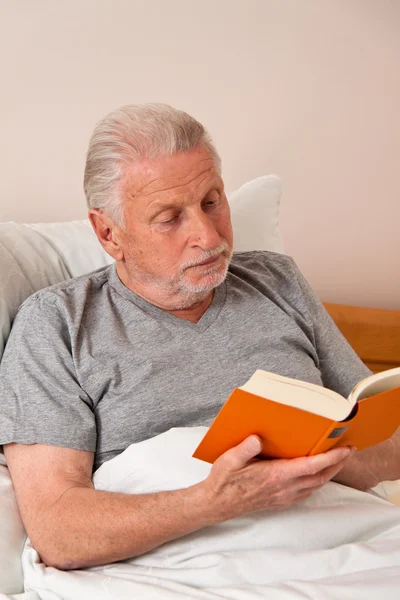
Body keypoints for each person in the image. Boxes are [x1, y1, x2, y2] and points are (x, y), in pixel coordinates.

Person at [1, 104, 399, 571]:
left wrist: (312, 460)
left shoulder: (278, 280)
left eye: (212, 202)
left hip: (337, 542)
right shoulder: (57, 323)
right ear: (109, 233)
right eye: (170, 218)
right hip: (179, 563)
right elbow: (58, 532)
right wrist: (215, 501)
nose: (209, 237)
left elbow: (388, 451)